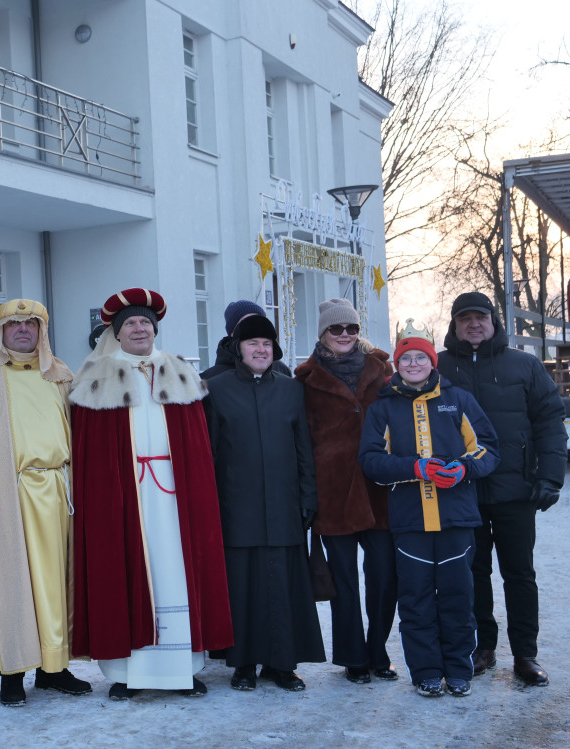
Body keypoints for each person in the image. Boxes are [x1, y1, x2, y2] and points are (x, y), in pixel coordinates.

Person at [70, 288, 233, 700]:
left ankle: (183, 669)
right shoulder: (95, 376)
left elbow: (197, 445)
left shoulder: (179, 371)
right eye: (130, 323)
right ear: (116, 332)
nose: (139, 329)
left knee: (179, 572)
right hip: (125, 495)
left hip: (176, 496)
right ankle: (127, 674)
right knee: (125, 571)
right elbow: (90, 453)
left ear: (155, 329)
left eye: (145, 322)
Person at [0, 298, 92, 706]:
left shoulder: (61, 376)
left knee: (55, 584)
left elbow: (83, 435)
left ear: (42, 331)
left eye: (31, 324)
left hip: (58, 493)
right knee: (8, 582)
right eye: (14, 324)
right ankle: (12, 673)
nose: (23, 330)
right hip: (5, 493)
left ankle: (54, 668)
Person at [359, 319, 499, 697]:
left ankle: (459, 669)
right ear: (397, 364)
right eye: (406, 358)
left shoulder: (459, 400)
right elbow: (371, 460)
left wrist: (464, 469)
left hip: (456, 519)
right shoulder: (383, 408)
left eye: (421, 357)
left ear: (432, 361)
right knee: (416, 600)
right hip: (410, 523)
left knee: (458, 597)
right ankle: (425, 671)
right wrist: (415, 468)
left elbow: (487, 447)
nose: (414, 364)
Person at [436, 291, 565, 686]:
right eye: (465, 319)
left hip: (515, 489)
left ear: (493, 321)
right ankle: (483, 647)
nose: (474, 324)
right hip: (462, 491)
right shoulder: (438, 367)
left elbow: (549, 421)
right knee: (471, 573)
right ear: (455, 325)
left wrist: (550, 476)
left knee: (519, 573)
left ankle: (525, 654)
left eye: (481, 317)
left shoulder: (524, 365)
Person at [204, 314, 325, 691]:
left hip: (284, 506)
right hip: (236, 507)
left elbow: (303, 449)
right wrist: (211, 505)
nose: (260, 350)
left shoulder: (290, 390)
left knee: (284, 586)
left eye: (267, 344)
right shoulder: (215, 389)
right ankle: (243, 664)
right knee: (242, 587)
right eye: (252, 343)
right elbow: (209, 453)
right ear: (238, 349)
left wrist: (308, 497)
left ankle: (282, 665)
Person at [294, 298, 398, 685]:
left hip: (379, 492)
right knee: (343, 583)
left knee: (385, 577)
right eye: (336, 329)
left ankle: (378, 650)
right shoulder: (305, 381)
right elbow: (301, 442)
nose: (344, 335)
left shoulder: (382, 371)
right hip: (333, 493)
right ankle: (353, 656)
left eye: (351, 328)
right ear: (323, 333)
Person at [201, 299, 291, 380]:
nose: (254, 327)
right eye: (246, 322)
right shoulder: (211, 378)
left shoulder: (280, 369)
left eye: (258, 321)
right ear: (232, 332)